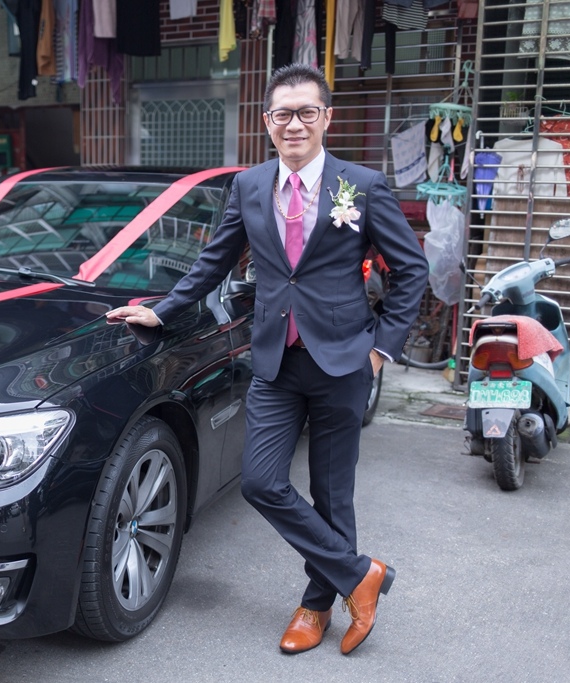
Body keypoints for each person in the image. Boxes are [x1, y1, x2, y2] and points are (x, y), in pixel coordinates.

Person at [106, 63, 427, 655]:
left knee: (333, 494)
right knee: (260, 481)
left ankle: (316, 605)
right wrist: (162, 310)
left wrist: (381, 350)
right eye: (283, 113)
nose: (294, 124)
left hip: (344, 362)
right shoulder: (250, 186)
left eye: (307, 112)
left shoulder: (362, 185)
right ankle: (359, 575)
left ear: (326, 118)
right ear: (267, 122)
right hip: (277, 363)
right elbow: (214, 260)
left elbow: (410, 271)